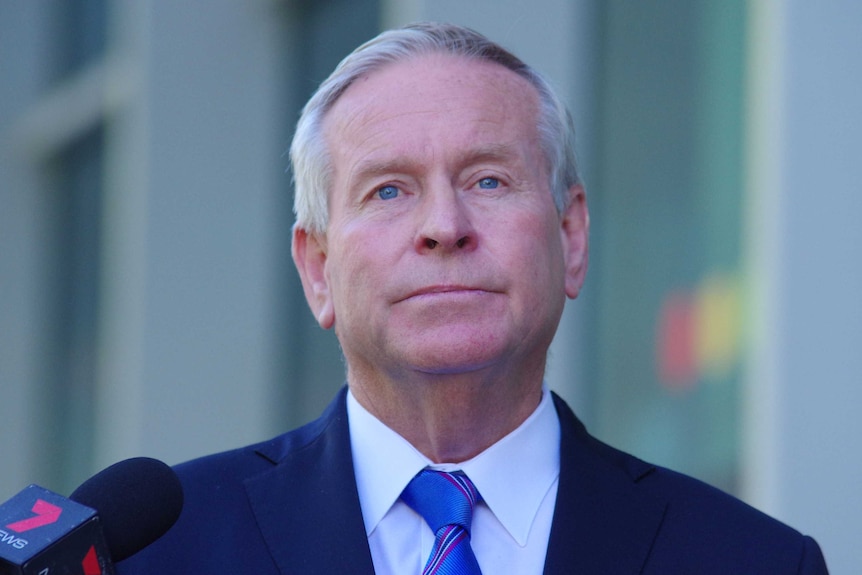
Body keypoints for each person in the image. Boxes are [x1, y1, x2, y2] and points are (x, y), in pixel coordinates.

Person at [118, 22, 828, 574]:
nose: (444, 227)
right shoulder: (154, 554)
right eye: (389, 190)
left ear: (571, 237)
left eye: (488, 180)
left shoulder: (750, 559)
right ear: (317, 268)